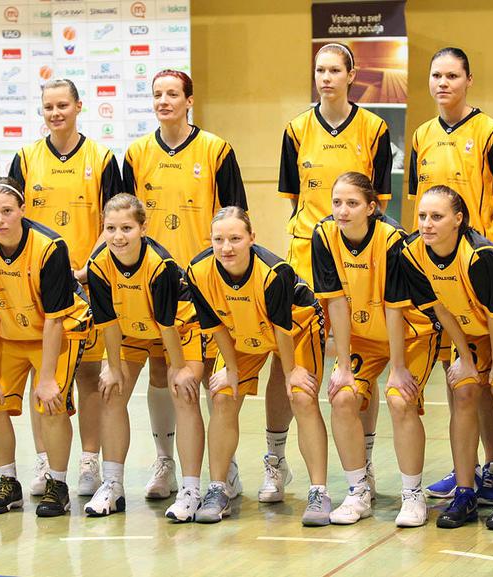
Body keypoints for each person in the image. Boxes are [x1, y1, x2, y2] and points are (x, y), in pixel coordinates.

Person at [271, 41, 394, 502]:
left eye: (334, 70)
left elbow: (380, 201)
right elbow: (293, 199)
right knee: (292, 367)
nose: (325, 78)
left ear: (351, 75)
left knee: (357, 365)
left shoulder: (374, 129)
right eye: (319, 70)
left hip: (356, 259)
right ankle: (276, 461)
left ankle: (364, 463)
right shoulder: (296, 128)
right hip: (306, 258)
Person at [123, 69, 248, 500]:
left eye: (172, 94)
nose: (164, 101)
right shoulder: (136, 153)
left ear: (189, 100)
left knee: (210, 373)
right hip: (154, 282)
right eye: (157, 94)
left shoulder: (216, 150)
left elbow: (236, 217)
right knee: (163, 371)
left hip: (205, 282)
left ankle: (224, 466)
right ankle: (165, 462)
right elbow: (123, 219)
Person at [407, 47, 493, 503]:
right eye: (436, 75)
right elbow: (418, 203)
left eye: (452, 75)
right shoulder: (421, 135)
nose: (443, 83)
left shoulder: (492, 134)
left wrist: (491, 258)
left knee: (489, 379)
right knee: (459, 376)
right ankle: (465, 467)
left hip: (481, 273)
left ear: (469, 80)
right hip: (441, 274)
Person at [400, 186, 493, 531]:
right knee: (463, 390)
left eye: (437, 216)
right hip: (471, 325)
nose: (427, 224)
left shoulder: (479, 255)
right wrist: (464, 357)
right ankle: (465, 493)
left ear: (458, 219)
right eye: (422, 216)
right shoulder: (412, 253)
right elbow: (440, 309)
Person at [9, 78, 122, 498]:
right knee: (44, 376)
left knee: (89, 376)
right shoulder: (26, 159)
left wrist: (87, 268)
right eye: (49, 107)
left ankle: (90, 461)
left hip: (86, 284)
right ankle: (44, 459)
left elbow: (113, 221)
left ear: (78, 106)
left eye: (62, 105)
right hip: (37, 288)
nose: (55, 113)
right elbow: (14, 221)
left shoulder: (102, 158)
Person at [311, 172, 440, 527]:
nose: (342, 210)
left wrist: (397, 367)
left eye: (352, 203)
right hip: (363, 337)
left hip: (410, 333)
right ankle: (358, 491)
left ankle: (412, 494)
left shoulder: (392, 239)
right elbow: (336, 301)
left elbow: (395, 307)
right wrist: (343, 365)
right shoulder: (323, 235)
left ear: (371, 207)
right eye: (337, 202)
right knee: (342, 396)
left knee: (400, 399)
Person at [186, 207, 328, 525]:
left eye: (235, 239)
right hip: (242, 326)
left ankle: (318, 492)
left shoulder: (274, 272)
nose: (226, 247)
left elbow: (282, 329)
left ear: (252, 238)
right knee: (223, 395)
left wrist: (291, 372)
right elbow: (214, 325)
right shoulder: (197, 271)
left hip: (297, 326)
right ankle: (218, 488)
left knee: (301, 396)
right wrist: (232, 370)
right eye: (219, 239)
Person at [0, 177, 92, 517]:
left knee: (50, 403)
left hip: (58, 330)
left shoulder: (50, 247)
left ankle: (58, 486)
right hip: (7, 333)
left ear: (23, 210)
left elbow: (54, 319)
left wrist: (47, 379)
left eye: (7, 211)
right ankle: (8, 483)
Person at [84, 194, 205, 519]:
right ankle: (112, 485)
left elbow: (167, 325)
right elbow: (108, 323)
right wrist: (113, 368)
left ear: (143, 228)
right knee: (111, 391)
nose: (118, 237)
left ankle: (190, 490)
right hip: (132, 328)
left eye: (126, 228)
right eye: (110, 228)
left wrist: (180, 368)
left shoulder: (160, 265)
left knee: (183, 390)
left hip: (178, 327)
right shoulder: (98, 265)